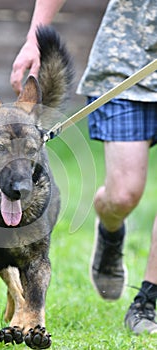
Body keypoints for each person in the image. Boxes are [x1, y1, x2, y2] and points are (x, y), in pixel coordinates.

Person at [10, 0, 157, 335]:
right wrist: (34, 38)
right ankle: (110, 228)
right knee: (123, 195)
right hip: (127, 64)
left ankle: (147, 300)